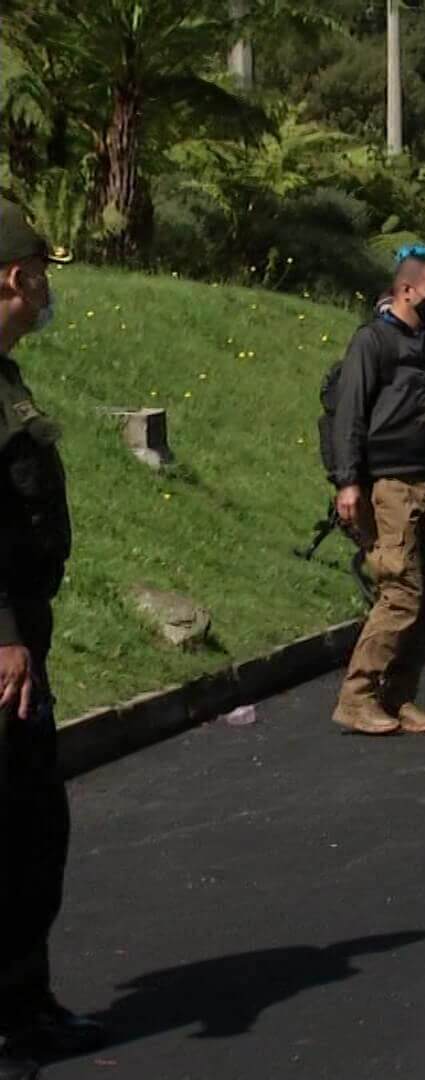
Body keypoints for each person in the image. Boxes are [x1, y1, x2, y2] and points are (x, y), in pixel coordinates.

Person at [0, 200, 106, 1080]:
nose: (47, 289)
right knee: (18, 829)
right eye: (41, 271)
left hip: (20, 640)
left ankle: (25, 1007)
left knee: (34, 828)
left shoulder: (3, 374)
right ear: (12, 276)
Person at [329, 248, 425, 736]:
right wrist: (348, 482)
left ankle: (399, 695)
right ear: (406, 290)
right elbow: (351, 414)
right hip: (389, 484)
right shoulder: (373, 341)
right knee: (400, 593)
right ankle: (357, 695)